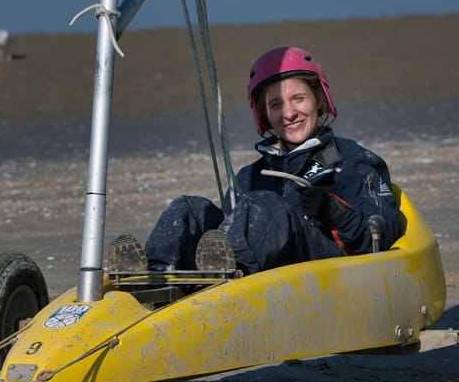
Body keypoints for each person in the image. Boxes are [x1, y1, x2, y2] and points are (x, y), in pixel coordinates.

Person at [108, 46, 402, 276]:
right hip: (265, 274)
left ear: (319, 100)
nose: (289, 113)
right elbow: (218, 235)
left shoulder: (355, 162)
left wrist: (333, 211)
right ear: (264, 116)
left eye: (298, 98)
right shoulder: (251, 176)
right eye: (276, 105)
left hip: (330, 274)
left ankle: (225, 275)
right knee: (189, 208)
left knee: (267, 206)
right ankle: (157, 278)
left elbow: (383, 235)